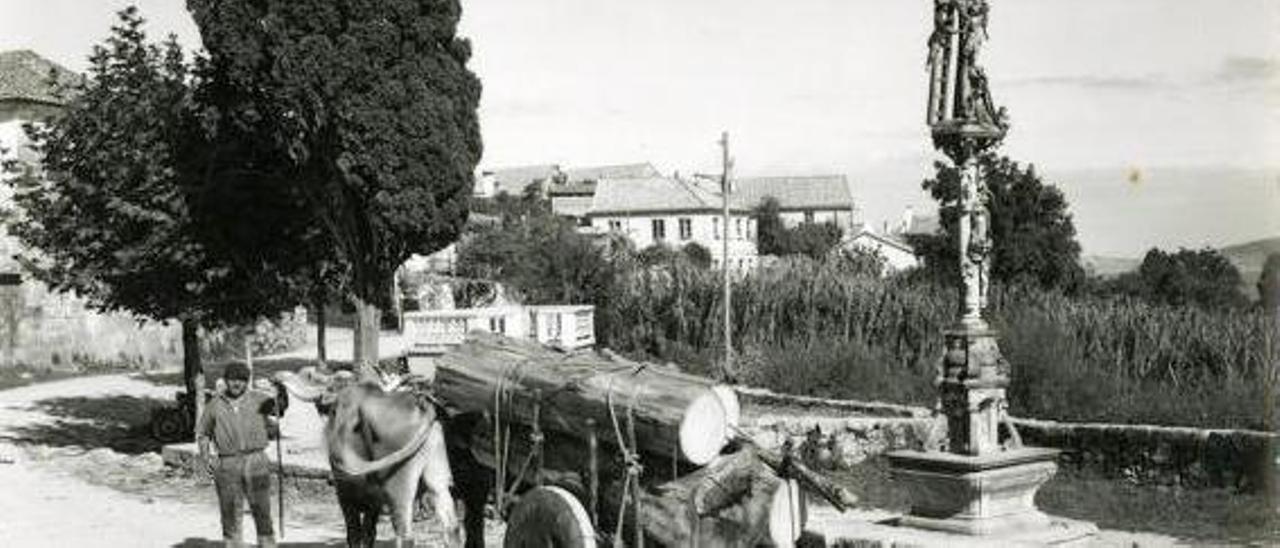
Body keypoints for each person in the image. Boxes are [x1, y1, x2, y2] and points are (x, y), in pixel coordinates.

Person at [197, 362, 288, 548]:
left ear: (247, 382)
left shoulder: (258, 399)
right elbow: (203, 434)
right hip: (227, 463)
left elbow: (280, 408)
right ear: (226, 381)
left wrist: (281, 388)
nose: (236, 384)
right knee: (229, 512)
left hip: (256, 461)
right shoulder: (214, 404)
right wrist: (205, 458)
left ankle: (267, 544)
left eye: (241, 380)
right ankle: (233, 544)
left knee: (262, 509)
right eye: (232, 380)